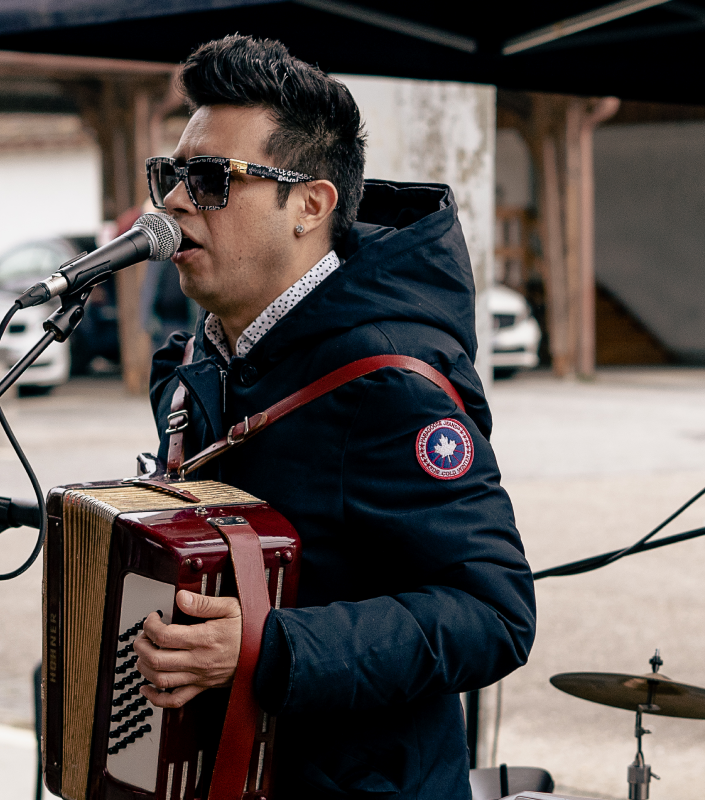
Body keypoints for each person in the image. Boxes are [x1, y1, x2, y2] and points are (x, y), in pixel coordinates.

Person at [125, 36, 535, 798]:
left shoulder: (389, 383)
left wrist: (269, 647)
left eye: (212, 179)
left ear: (310, 206)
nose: (175, 202)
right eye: (172, 174)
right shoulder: (197, 365)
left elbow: (493, 612)